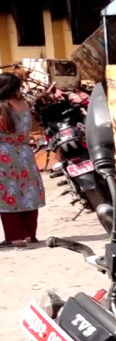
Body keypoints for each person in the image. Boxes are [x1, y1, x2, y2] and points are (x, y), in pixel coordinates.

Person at [0, 72, 45, 248]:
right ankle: (29, 235)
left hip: (4, 155)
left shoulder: (2, 107)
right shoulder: (24, 105)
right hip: (25, 154)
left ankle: (15, 237)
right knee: (28, 192)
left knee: (7, 195)